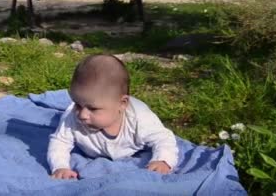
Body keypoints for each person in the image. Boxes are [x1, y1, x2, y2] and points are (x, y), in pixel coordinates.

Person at [48, 54, 179, 179]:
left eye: (93, 108)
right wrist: (60, 167)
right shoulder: (72, 116)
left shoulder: (140, 119)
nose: (82, 114)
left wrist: (163, 160)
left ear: (122, 104)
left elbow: (163, 139)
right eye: (77, 104)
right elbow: (60, 142)